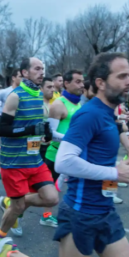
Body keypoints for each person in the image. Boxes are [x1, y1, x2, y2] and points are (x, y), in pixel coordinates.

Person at [0, 52, 129, 257]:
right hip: (81, 213)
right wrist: (114, 172)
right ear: (101, 83)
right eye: (122, 76)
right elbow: (65, 161)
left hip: (105, 211)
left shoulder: (108, 114)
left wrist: (124, 160)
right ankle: (11, 255)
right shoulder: (89, 114)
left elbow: (97, 156)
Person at [0, 57, 58, 249]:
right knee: (18, 207)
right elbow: (1, 130)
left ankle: (8, 201)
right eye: (37, 69)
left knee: (51, 198)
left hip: (34, 159)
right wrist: (29, 131)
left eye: (43, 69)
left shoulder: (39, 95)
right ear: (24, 73)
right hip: (14, 162)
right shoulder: (15, 96)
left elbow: (38, 121)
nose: (42, 72)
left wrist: (46, 131)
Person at [44, 69, 84, 202]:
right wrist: (73, 139)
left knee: (74, 190)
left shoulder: (77, 102)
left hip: (72, 155)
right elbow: (51, 135)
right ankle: (11, 203)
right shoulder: (58, 105)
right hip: (55, 155)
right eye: (77, 82)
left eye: (82, 82)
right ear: (66, 83)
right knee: (46, 195)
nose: (81, 85)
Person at [38, 77, 59, 227]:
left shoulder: (54, 104)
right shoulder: (36, 104)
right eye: (49, 87)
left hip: (49, 147)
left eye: (53, 87)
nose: (53, 89)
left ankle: (47, 215)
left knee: (49, 181)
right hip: (35, 147)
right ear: (41, 88)